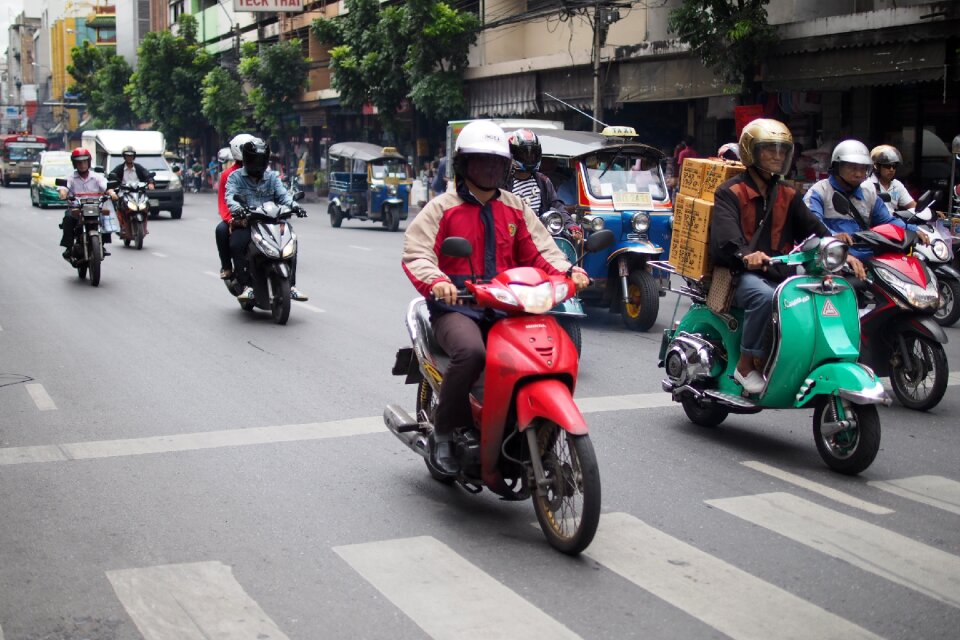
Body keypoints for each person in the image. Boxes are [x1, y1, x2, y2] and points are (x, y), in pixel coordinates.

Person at [401, 120, 589, 477]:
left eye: (496, 162)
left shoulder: (516, 208)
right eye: (480, 161)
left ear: (506, 167)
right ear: (464, 165)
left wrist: (569, 273)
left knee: (545, 353)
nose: (489, 168)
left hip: (509, 307)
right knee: (471, 353)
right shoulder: (442, 208)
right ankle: (443, 435)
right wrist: (438, 280)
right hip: (459, 307)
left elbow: (542, 252)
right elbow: (417, 252)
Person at [709, 119, 862, 395]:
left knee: (816, 294)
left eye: (782, 150)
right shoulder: (730, 192)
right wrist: (746, 255)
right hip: (740, 274)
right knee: (764, 297)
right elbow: (725, 239)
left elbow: (816, 230)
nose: (777, 156)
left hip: (780, 272)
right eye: (769, 149)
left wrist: (841, 253)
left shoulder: (789, 194)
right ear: (750, 152)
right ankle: (745, 365)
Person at [804, 140, 928, 261]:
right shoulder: (819, 191)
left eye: (862, 168)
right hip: (833, 259)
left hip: (867, 257)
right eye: (852, 167)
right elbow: (811, 226)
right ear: (837, 166)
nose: (858, 174)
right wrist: (832, 236)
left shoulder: (869, 192)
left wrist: (912, 230)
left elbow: (887, 220)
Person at [225, 137, 309, 302]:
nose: (257, 164)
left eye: (261, 160)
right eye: (254, 160)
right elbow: (230, 197)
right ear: (246, 159)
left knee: (292, 241)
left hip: (272, 222)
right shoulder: (235, 177)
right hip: (248, 222)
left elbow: (284, 196)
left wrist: (295, 206)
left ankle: (291, 286)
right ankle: (246, 285)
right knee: (236, 244)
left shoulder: (271, 177)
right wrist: (238, 209)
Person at [505, 128, 582, 241]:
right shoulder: (503, 182)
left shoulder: (543, 181)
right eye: (525, 154)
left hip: (540, 238)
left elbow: (558, 207)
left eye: (532, 154)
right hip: (511, 238)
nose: (529, 158)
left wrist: (572, 226)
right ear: (513, 154)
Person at [58, 148, 117, 259]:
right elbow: (64, 187)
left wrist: (112, 193)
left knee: (105, 217)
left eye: (84, 161)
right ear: (74, 163)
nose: (82, 164)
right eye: (79, 162)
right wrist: (63, 193)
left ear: (89, 162)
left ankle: (101, 245)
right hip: (77, 208)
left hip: (95, 207)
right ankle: (69, 247)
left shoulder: (97, 177)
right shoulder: (70, 177)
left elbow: (106, 186)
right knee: (68, 219)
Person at [215, 138, 252, 279]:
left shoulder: (264, 173)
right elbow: (224, 202)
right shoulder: (228, 175)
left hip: (261, 215)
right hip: (238, 217)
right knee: (221, 230)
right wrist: (231, 219)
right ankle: (227, 267)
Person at [107, 145, 156, 239]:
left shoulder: (138, 168)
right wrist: (113, 187)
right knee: (119, 205)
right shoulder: (120, 168)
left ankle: (144, 225)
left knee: (146, 204)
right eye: (127, 155)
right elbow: (111, 177)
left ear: (134, 156)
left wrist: (150, 183)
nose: (129, 157)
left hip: (138, 192)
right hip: (124, 193)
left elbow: (147, 175)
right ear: (124, 157)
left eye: (131, 155)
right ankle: (122, 225)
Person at [869, 144, 916, 213]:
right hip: (874, 222)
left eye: (894, 166)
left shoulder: (896, 185)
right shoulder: (868, 184)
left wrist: (926, 212)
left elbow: (913, 206)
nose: (891, 169)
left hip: (892, 221)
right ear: (877, 167)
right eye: (887, 166)